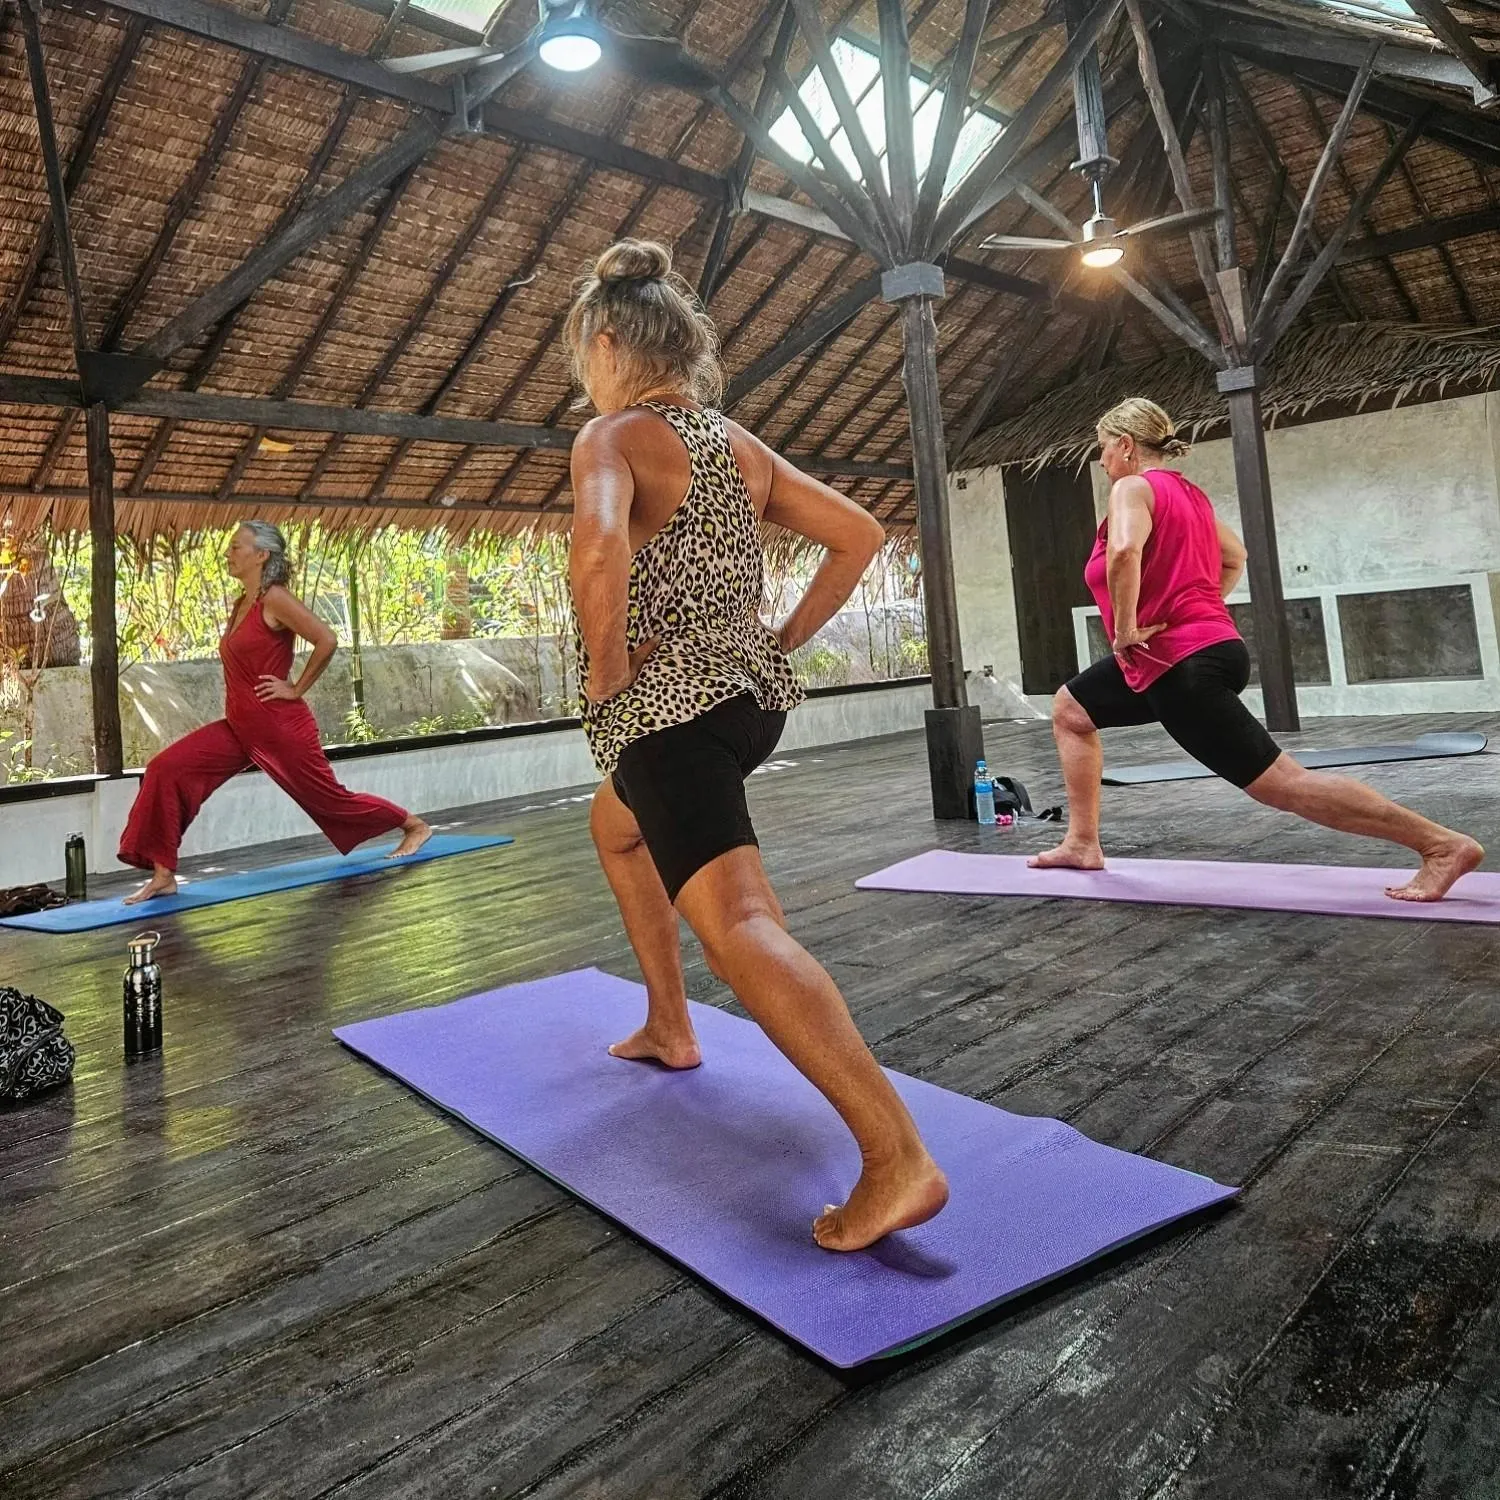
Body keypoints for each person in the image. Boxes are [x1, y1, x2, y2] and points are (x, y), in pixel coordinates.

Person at [565, 239, 948, 1252]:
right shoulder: (735, 443)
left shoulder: (611, 436)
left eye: (585, 360)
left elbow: (599, 545)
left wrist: (608, 678)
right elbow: (861, 534)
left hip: (674, 713)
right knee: (618, 830)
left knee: (741, 924)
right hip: (749, 702)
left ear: (608, 345)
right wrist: (774, 640)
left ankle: (895, 1156)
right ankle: (669, 1023)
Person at [1030, 397, 1483, 901]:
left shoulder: (1131, 488)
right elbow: (1234, 557)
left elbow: (1124, 551)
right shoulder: (1191, 497)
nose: (1101, 461)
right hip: (1205, 648)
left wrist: (1126, 628)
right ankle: (1081, 841)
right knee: (1072, 709)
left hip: (1177, 663)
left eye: (1102, 450)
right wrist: (1193, 609)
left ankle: (1441, 845)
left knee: (1284, 784)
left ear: (1126, 445)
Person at [118, 521, 431, 903]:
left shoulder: (275, 599)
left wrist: (296, 687)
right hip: (239, 727)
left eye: (236, 547)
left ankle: (413, 825)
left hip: (279, 726)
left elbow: (326, 639)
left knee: (330, 800)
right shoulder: (241, 603)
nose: (228, 554)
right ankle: (163, 873)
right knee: (166, 769)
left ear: (261, 555)